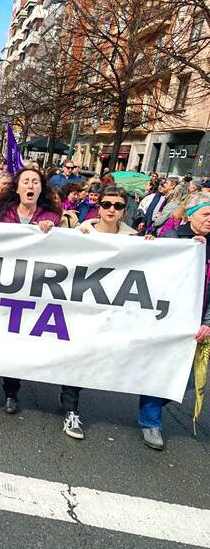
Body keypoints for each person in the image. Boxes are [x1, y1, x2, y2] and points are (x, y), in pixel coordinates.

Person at [0, 167, 62, 413]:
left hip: (28, 291)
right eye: (25, 181)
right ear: (17, 188)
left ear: (41, 189)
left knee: (16, 343)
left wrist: (53, 229)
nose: (30, 185)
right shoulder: (1, 211)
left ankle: (11, 392)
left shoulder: (51, 216)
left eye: (35, 182)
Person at [57, 187, 137, 438]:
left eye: (118, 206)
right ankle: (71, 409)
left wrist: (194, 244)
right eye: (106, 204)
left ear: (124, 211)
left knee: (92, 357)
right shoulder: (79, 233)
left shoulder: (134, 239)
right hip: (77, 307)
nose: (112, 209)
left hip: (110, 310)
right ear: (98, 207)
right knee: (77, 356)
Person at [139, 191, 210, 450]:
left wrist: (208, 321)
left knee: (187, 380)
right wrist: (150, 245)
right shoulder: (171, 237)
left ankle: (150, 399)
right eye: (206, 213)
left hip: (196, 322)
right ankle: (150, 421)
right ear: (191, 215)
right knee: (161, 371)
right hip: (166, 318)